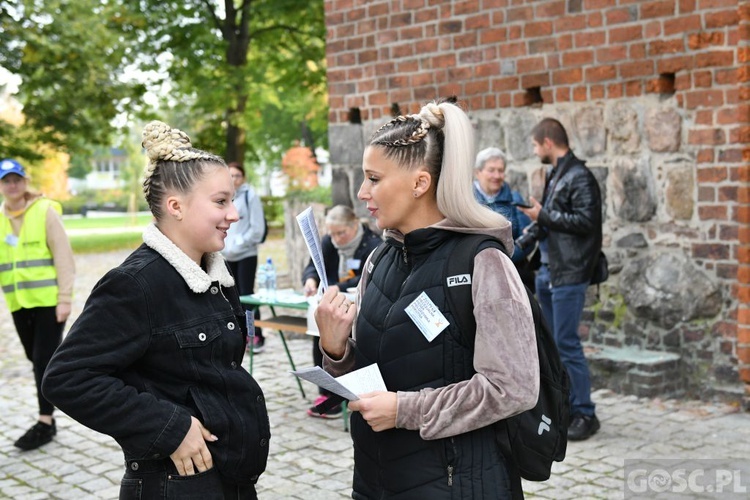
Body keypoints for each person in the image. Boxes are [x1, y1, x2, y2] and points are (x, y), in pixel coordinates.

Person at [314, 99, 539, 499]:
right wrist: (334, 348)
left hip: (457, 485)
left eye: (374, 178)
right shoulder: (378, 259)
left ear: (420, 183)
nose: (363, 192)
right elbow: (371, 376)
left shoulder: (483, 262)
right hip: (376, 479)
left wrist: (405, 411)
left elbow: (514, 388)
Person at [42, 121, 270, 499]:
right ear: (175, 206)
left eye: (232, 199)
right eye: (220, 201)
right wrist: (170, 427)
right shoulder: (135, 285)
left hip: (226, 479)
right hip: (174, 486)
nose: (234, 214)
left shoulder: (214, 274)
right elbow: (67, 378)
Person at [517, 117, 602, 442]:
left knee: (567, 344)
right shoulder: (558, 174)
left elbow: (586, 221)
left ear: (548, 143)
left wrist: (544, 215)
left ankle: (585, 413)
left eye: (536, 145)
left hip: (570, 274)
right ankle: (564, 408)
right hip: (548, 273)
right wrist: (519, 244)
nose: (536, 150)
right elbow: (547, 221)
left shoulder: (580, 176)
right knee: (552, 348)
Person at [0, 158, 75, 451]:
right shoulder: (1, 218)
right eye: (7, 180)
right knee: (37, 360)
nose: (13, 184)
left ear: (25, 181)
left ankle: (45, 422)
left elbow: (64, 257)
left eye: (17, 179)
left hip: (48, 302)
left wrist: (64, 299)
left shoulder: (44, 211)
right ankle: (55, 401)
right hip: (19, 302)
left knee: (43, 361)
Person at [301, 205, 381, 419]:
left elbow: (364, 275)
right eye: (332, 233)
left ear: (355, 224)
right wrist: (310, 280)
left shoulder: (373, 244)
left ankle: (341, 395)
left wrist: (339, 286)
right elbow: (312, 265)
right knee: (320, 334)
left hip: (357, 304)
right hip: (332, 301)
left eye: (341, 233)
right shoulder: (329, 242)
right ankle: (325, 393)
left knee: (347, 345)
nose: (337, 238)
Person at [473, 147, 537, 291]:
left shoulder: (514, 199)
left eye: (501, 170)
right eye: (491, 170)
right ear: (478, 172)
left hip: (513, 275)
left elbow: (528, 239)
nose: (497, 175)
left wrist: (503, 260)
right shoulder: (467, 201)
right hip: (477, 275)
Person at [221, 162, 267, 353]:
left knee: (247, 296)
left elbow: (258, 229)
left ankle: (255, 334)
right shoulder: (224, 197)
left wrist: (239, 243)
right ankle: (240, 335)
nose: (233, 179)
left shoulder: (251, 196)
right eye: (230, 175)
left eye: (237, 175)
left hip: (246, 254)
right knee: (231, 297)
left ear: (243, 178)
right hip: (227, 255)